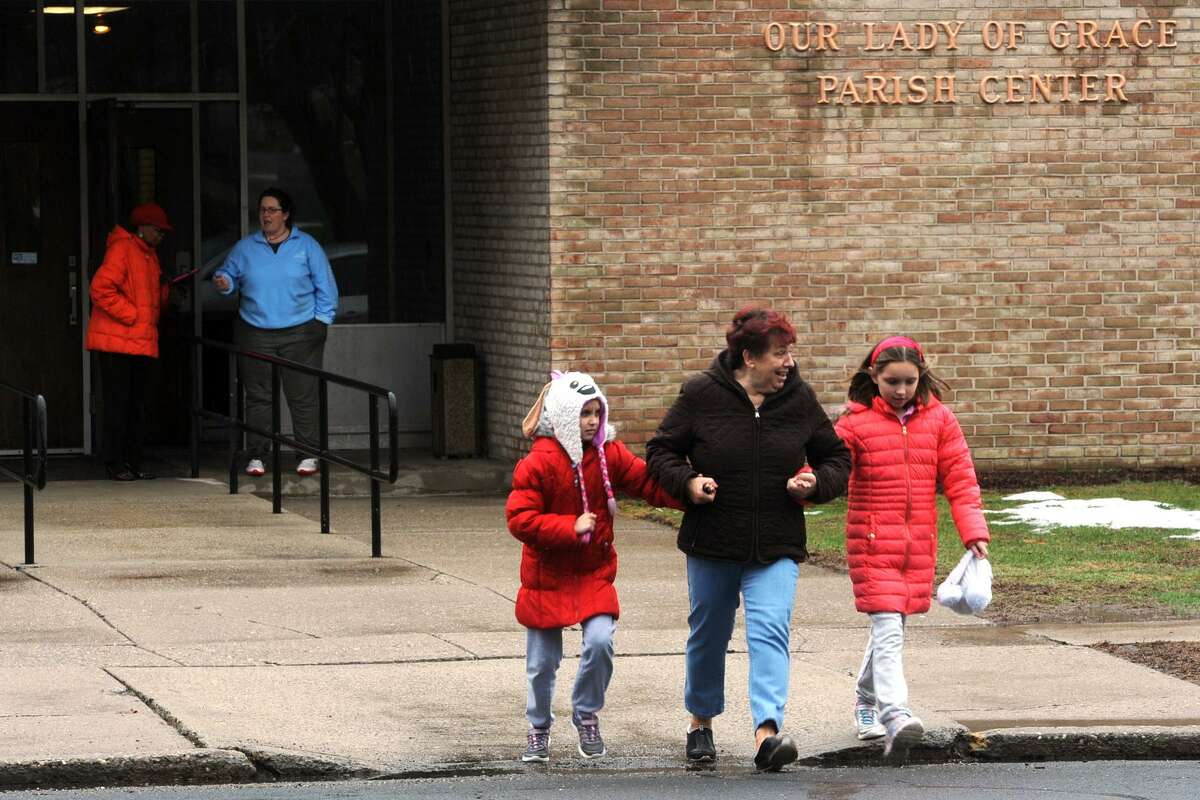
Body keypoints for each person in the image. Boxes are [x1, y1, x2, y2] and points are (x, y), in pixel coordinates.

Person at [645, 306, 851, 771]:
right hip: (714, 539)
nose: (789, 363)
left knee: (770, 630)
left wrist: (815, 483)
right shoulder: (702, 394)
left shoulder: (799, 400)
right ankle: (701, 722)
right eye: (779, 353)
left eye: (789, 353)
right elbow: (661, 451)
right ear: (749, 357)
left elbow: (837, 458)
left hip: (776, 542)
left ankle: (767, 733)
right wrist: (689, 483)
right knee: (709, 635)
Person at [505, 370, 682, 763]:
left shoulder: (608, 455)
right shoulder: (538, 462)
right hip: (545, 577)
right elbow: (520, 519)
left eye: (597, 413)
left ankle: (586, 714)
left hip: (593, 572)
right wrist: (570, 526)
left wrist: (689, 492)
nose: (592, 421)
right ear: (565, 415)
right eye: (584, 413)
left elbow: (647, 483)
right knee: (541, 664)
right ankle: (538, 727)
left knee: (600, 641)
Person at [834, 336, 990, 759]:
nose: (900, 390)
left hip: (918, 542)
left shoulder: (940, 420)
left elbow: (961, 480)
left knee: (893, 627)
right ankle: (895, 715)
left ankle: (864, 701)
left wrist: (973, 531)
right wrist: (806, 482)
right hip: (871, 542)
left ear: (921, 377)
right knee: (887, 629)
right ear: (873, 377)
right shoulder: (853, 423)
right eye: (891, 381)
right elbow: (828, 467)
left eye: (908, 381)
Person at [212, 188, 338, 477]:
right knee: (258, 397)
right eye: (262, 210)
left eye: (272, 210)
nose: (266, 215)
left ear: (286, 214)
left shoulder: (307, 246)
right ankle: (258, 456)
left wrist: (320, 322)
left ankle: (308, 454)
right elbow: (228, 274)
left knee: (303, 395)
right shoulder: (246, 247)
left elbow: (326, 287)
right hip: (255, 330)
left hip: (301, 333)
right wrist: (225, 283)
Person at [86, 202, 175, 482]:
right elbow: (99, 289)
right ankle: (115, 463)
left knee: (137, 405)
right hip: (118, 342)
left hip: (139, 340)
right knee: (118, 404)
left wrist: (166, 293)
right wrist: (133, 315)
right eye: (158, 231)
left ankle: (132, 462)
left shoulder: (149, 255)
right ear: (143, 228)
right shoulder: (122, 249)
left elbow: (146, 299)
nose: (161, 236)